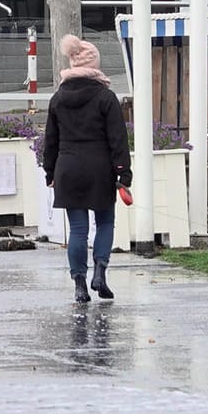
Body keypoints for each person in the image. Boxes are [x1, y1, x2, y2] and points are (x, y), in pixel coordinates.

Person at [43, 34, 131, 304]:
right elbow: (118, 138)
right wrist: (123, 172)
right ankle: (100, 273)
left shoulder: (57, 98)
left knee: (78, 230)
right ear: (95, 65)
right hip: (99, 168)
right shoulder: (105, 97)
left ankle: (79, 284)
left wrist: (50, 173)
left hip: (67, 168)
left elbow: (51, 141)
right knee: (105, 222)